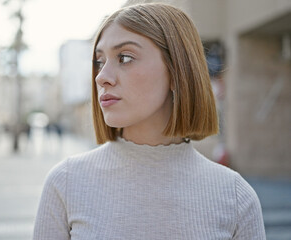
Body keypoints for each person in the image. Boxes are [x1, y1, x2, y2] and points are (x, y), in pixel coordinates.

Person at [33, 3, 265, 239]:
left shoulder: (236, 197)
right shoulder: (66, 183)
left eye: (124, 57)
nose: (101, 77)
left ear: (177, 72)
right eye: (100, 62)